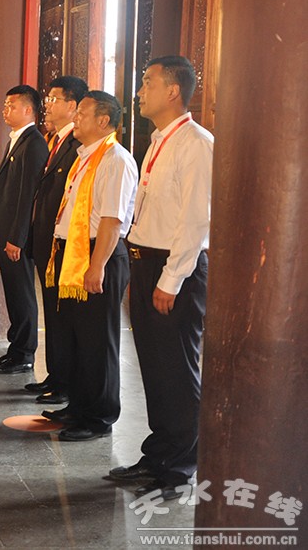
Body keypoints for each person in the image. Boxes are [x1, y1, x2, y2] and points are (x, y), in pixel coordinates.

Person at [110, 56, 213, 499]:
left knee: (176, 367)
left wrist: (170, 279)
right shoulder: (158, 140)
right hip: (148, 259)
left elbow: (195, 219)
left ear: (173, 91)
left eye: (148, 82)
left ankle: (180, 464)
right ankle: (159, 452)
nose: (139, 91)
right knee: (154, 366)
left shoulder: (196, 142)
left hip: (178, 267)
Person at [42, 91, 137, 441]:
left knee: (98, 341)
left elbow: (112, 221)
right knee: (76, 338)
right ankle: (79, 406)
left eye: (82, 112)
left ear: (103, 121)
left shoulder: (115, 160)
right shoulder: (85, 157)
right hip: (75, 252)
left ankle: (98, 416)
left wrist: (97, 267)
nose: (75, 118)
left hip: (99, 255)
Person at [25, 76, 88, 404]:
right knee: (52, 313)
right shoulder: (55, 141)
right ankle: (55, 375)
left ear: (73, 106)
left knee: (63, 316)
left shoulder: (76, 147)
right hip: (46, 242)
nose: (47, 104)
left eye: (53, 99)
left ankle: (65, 382)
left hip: (64, 245)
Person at [0, 85, 49, 374]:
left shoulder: (34, 143)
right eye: (5, 104)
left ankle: (24, 353)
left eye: (11, 105)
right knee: (13, 293)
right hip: (6, 233)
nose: (5, 109)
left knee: (22, 293)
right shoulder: (17, 140)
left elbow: (27, 196)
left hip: (16, 237)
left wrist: (16, 238)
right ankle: (15, 349)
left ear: (28, 110)